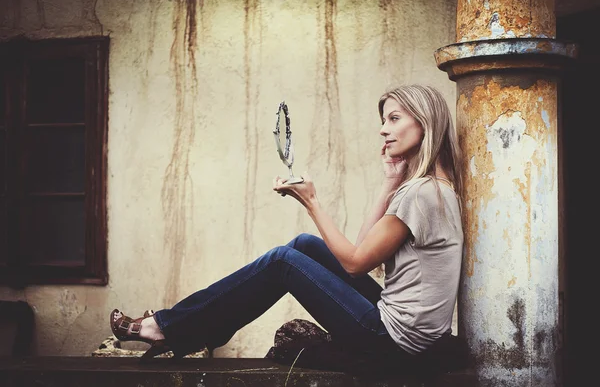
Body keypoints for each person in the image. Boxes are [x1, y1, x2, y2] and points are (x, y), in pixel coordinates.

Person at [109, 84, 465, 370]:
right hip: (401, 331)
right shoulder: (431, 189)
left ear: (424, 121)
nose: (383, 129)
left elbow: (356, 263)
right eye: (384, 120)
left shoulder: (422, 194)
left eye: (394, 118)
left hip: (392, 340)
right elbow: (361, 253)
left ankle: (169, 328)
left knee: (282, 260)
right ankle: (201, 328)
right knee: (304, 245)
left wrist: (312, 202)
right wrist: (390, 182)